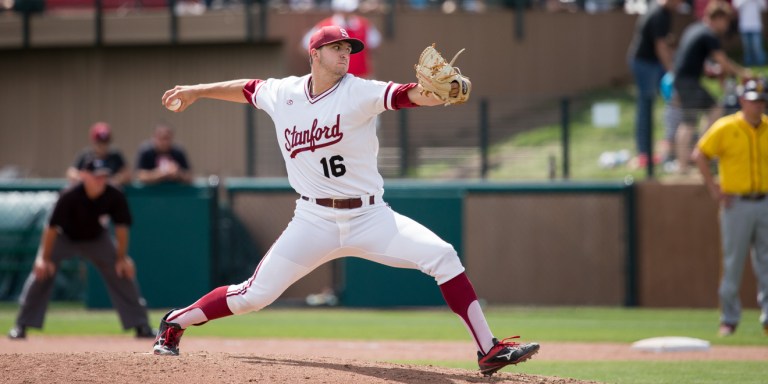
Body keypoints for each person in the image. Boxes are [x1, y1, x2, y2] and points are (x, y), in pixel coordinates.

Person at [152, 25, 539, 376]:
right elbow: (247, 88)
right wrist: (197, 91)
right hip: (312, 219)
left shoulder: (359, 91)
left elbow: (408, 95)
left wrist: (439, 94)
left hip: (370, 216)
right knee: (254, 295)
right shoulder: (283, 92)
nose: (344, 54)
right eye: (335, 47)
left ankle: (488, 349)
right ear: (314, 54)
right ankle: (175, 321)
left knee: (443, 256)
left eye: (348, 48)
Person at [7, 157, 156, 340]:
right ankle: (21, 325)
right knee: (41, 272)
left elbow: (122, 227)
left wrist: (121, 257)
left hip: (96, 238)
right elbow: (51, 228)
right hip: (65, 237)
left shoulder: (114, 194)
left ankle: (141, 325)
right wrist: (43, 258)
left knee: (122, 272)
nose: (100, 180)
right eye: (96, 176)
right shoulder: (69, 195)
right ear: (84, 176)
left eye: (104, 176)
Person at [692, 77, 768, 337]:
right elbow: (699, 154)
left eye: (760, 100)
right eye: (752, 100)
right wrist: (714, 188)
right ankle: (729, 319)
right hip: (736, 203)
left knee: (767, 263)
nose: (757, 105)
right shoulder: (726, 127)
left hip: (765, 201)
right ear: (742, 101)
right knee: (733, 262)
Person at [671, 0, 751, 174]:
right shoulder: (708, 34)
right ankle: (692, 159)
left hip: (684, 80)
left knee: (701, 115)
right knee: (696, 118)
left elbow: (700, 62)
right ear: (718, 18)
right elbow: (724, 62)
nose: (727, 25)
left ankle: (691, 159)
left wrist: (717, 74)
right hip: (688, 82)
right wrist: (744, 73)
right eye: (726, 21)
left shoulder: (695, 28)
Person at [627, 0, 682, 169]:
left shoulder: (664, 12)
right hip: (645, 63)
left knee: (673, 100)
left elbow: (666, 43)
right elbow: (660, 46)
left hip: (652, 63)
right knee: (646, 105)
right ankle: (645, 153)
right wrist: (672, 71)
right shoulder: (659, 13)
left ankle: (670, 144)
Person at [301, 0, 382, 79]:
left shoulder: (364, 25)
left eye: (350, 10)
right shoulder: (325, 25)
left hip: (361, 77)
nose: (347, 13)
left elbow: (374, 46)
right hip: (333, 79)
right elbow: (306, 46)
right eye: (344, 10)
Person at [66, 122, 132, 187]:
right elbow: (71, 172)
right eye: (99, 143)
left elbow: (127, 174)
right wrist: (86, 180)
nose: (103, 146)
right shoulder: (86, 155)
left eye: (105, 142)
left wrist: (114, 180)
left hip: (110, 194)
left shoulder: (115, 155)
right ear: (93, 142)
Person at [734, 0, 767, 67]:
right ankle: (749, 65)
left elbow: (764, 7)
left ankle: (761, 64)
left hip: (756, 26)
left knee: (757, 47)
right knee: (747, 49)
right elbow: (736, 6)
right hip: (744, 27)